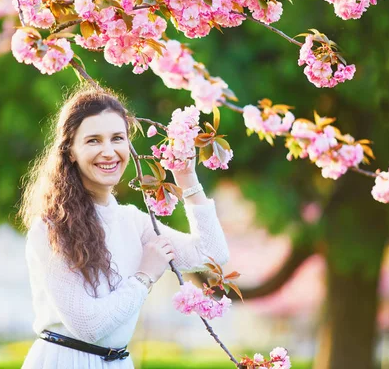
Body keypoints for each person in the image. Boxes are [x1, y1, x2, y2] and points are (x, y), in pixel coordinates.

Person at [18, 84, 230, 368]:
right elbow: (89, 326)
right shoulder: (52, 228)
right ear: (70, 151)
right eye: (93, 140)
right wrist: (144, 276)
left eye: (117, 138)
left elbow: (211, 254)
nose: (109, 151)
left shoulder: (134, 221)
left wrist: (187, 179)